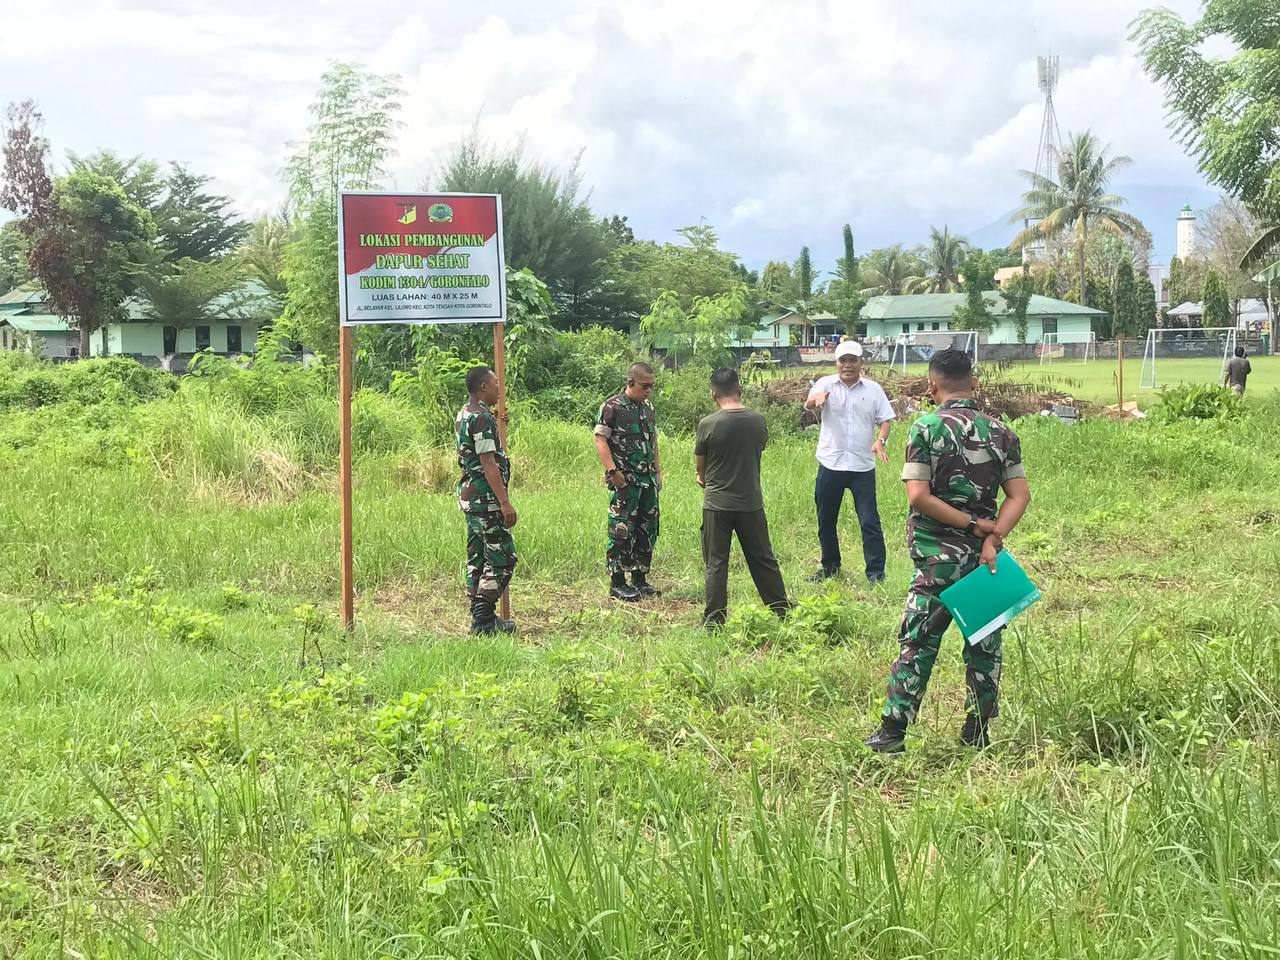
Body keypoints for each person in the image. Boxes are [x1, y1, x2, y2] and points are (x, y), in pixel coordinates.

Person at [865, 349, 1032, 754]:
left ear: (931, 386)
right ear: (974, 383)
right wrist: (991, 536)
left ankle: (892, 733)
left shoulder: (924, 429)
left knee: (918, 639)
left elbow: (919, 497)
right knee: (985, 645)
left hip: (936, 556)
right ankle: (977, 732)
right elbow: (1019, 495)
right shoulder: (1001, 432)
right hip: (984, 559)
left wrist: (971, 526)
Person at [695, 367, 790, 627]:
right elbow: (758, 449)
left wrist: (703, 478)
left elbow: (700, 468)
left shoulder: (707, 424)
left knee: (716, 563)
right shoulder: (758, 420)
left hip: (716, 503)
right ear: (740, 390)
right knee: (763, 559)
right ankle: (781, 611)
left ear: (714, 394)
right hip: (750, 502)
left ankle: (714, 620)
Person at [803, 339, 895, 584]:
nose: (847, 365)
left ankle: (876, 573)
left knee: (869, 521)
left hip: (862, 467)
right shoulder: (825, 384)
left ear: (861, 362)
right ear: (837, 363)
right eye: (843, 360)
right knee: (826, 520)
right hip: (831, 464)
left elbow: (886, 418)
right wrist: (817, 399)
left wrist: (880, 441)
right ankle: (830, 567)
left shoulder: (873, 390)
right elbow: (810, 403)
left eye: (852, 360)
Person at [455, 366, 518, 635]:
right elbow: (488, 463)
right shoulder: (481, 419)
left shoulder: (465, 413)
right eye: (495, 384)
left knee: (478, 555)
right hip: (486, 499)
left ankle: (481, 617)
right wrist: (504, 502)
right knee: (503, 557)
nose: (498, 389)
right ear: (483, 387)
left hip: (472, 497)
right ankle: (482, 618)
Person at [594, 362, 663, 601]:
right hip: (626, 480)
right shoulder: (611, 407)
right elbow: (600, 440)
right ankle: (617, 581)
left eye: (651, 386)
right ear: (630, 382)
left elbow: (653, 442)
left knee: (647, 528)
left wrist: (658, 473)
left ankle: (640, 577)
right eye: (645, 386)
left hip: (647, 479)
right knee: (622, 529)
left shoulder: (647, 408)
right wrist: (613, 472)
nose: (648, 391)